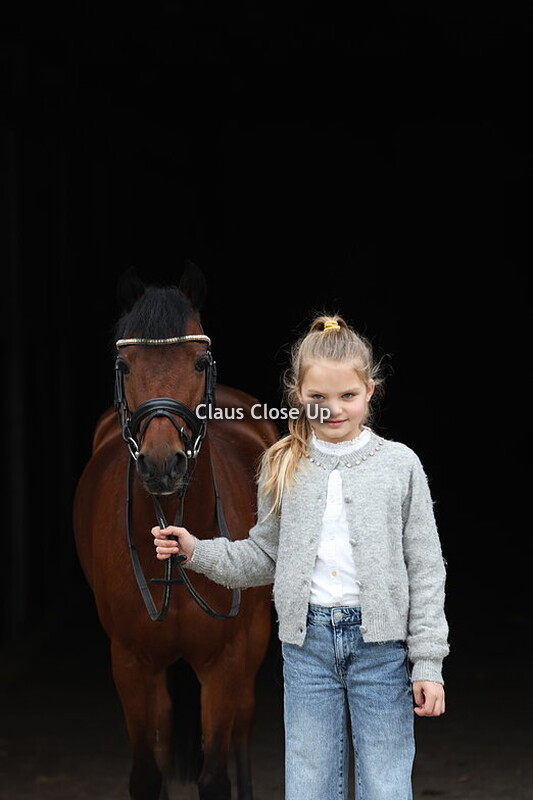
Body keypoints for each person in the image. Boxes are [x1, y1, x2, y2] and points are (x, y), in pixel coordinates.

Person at [152, 314, 449, 800]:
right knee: (308, 785)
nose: (333, 409)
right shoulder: (282, 463)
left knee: (386, 784)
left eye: (347, 396)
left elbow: (426, 570)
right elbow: (263, 555)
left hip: (382, 652)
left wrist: (428, 664)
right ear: (298, 395)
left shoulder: (400, 465)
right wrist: (196, 551)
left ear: (370, 391)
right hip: (307, 649)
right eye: (318, 399)